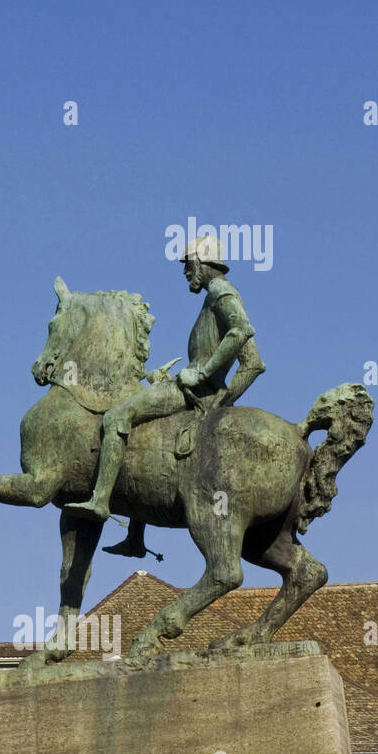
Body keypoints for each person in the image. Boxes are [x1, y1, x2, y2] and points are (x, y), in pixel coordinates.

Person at [66, 235, 266, 554]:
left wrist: (202, 375)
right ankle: (135, 539)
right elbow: (254, 363)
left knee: (119, 415)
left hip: (188, 389)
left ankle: (100, 501)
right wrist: (224, 399)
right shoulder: (221, 295)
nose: (185, 272)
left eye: (188, 264)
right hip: (200, 391)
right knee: (144, 434)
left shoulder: (220, 291)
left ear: (202, 262)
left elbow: (241, 330)